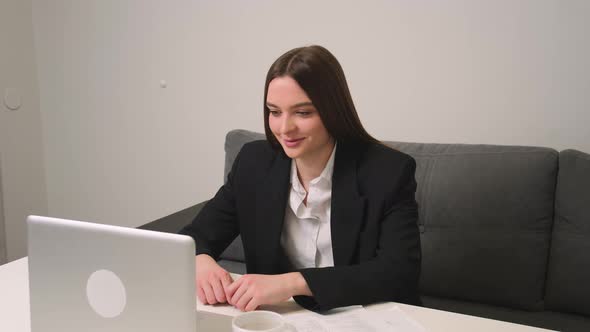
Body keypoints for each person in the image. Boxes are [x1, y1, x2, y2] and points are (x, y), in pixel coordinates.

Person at [180, 45, 421, 312]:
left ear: (333, 110)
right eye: (274, 111)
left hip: (364, 316)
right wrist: (200, 260)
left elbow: (399, 272)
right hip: (280, 320)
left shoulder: (389, 171)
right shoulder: (254, 162)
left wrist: (294, 283)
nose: (285, 129)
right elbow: (196, 235)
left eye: (303, 113)